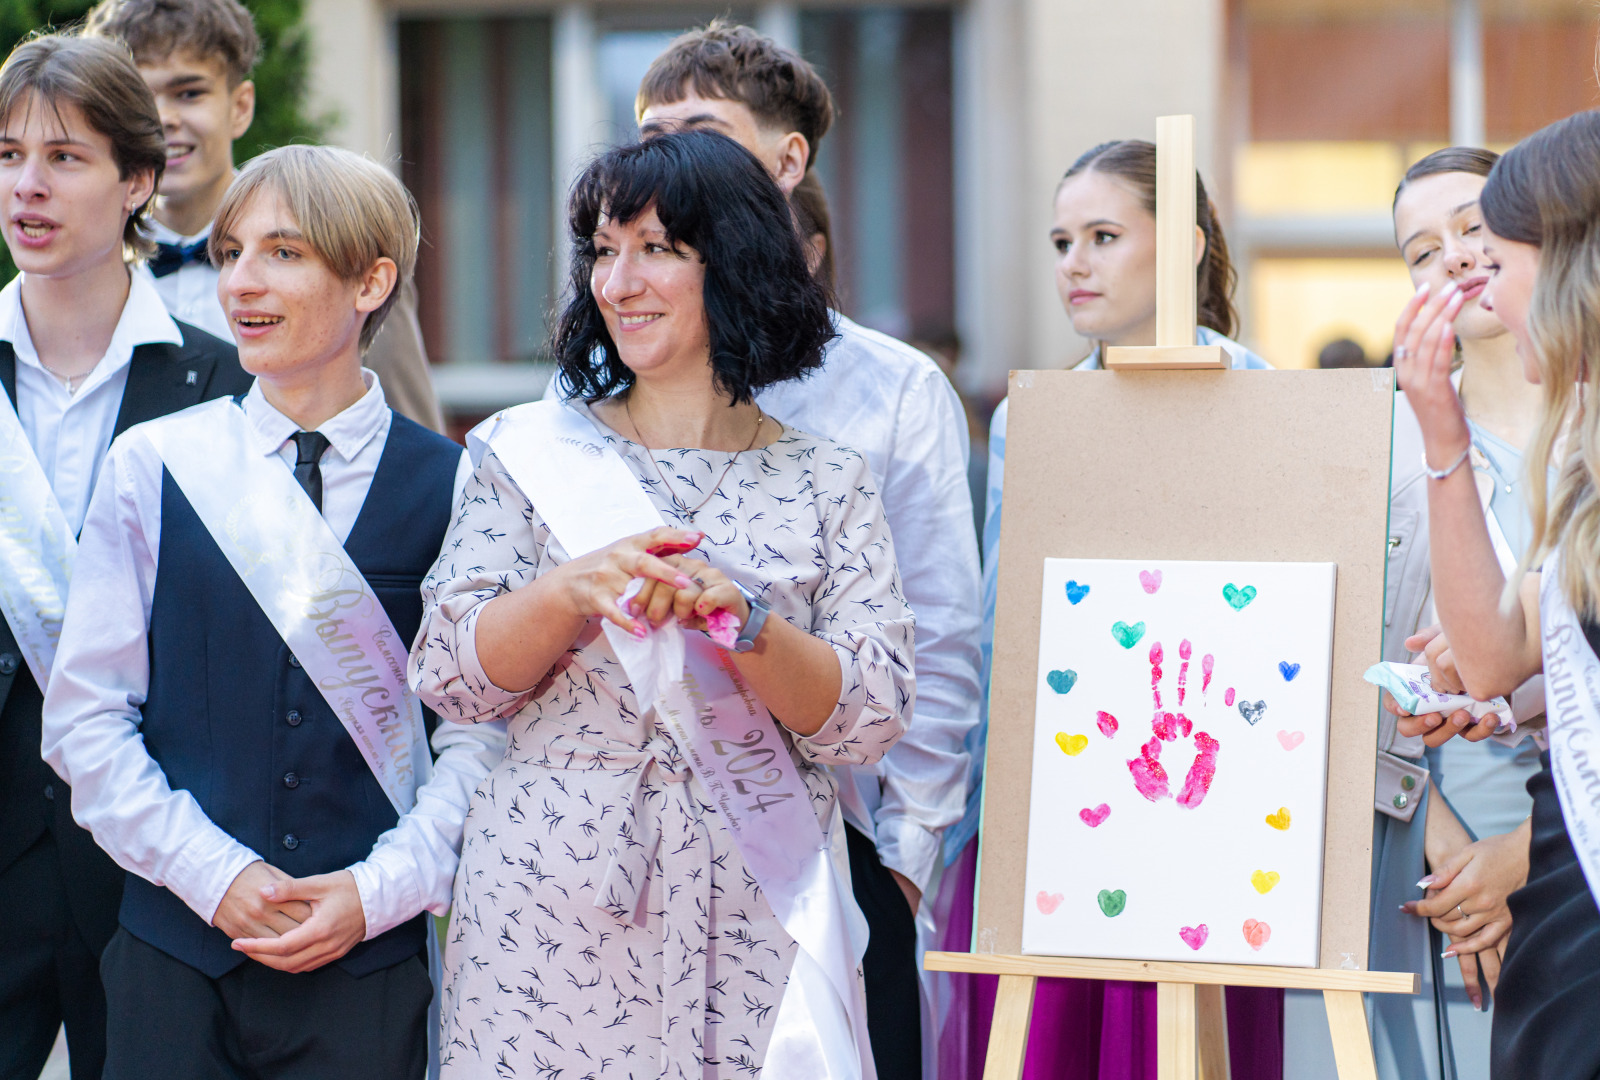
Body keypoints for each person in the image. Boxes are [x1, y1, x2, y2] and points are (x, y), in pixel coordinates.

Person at [414, 128, 915, 1079]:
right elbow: (450, 674)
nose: (617, 282)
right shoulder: (520, 453)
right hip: (551, 898)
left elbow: (869, 718)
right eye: (603, 252)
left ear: (735, 263)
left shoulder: (827, 481)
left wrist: (752, 628)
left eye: (656, 249)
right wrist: (568, 592)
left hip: (760, 894)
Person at [40, 143, 504, 1079]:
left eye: (282, 253)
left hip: (369, 974)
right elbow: (85, 722)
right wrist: (219, 878)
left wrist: (376, 896)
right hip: (173, 959)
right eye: (229, 252)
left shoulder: (461, 486)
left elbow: (480, 742)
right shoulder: (154, 465)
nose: (241, 284)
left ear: (371, 281)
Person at [622, 24, 982, 1079]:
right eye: (651, 134)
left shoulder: (890, 389)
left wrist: (904, 864)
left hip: (837, 853)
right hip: (631, 860)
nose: (668, 159)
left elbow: (944, 638)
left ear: (789, 162)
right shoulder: (589, 379)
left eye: (704, 132)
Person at [945, 139, 1276, 1080]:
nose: (1074, 264)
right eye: (1060, 241)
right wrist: (977, 824)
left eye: (1102, 235)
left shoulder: (1272, 403)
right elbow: (1005, 624)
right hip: (1054, 803)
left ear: (1185, 246)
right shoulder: (1030, 415)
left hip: (1220, 808)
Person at [0, 33, 248, 1080]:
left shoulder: (229, 390)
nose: (26, 185)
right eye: (6, 154)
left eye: (64, 156)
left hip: (156, 849)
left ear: (138, 179)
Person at [1390, 108, 1600, 1080]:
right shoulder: (1581, 446)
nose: (1470, 278)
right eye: (1427, 253)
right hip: (1573, 908)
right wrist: (1441, 437)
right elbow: (1495, 657)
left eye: (1492, 250)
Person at [1363, 147, 1542, 1080]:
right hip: (1416, 845)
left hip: (1579, 836)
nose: (1455, 259)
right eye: (1421, 251)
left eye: (1474, 227)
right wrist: (1445, 850)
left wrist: (1523, 857)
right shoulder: (1385, 442)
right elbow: (1337, 651)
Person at [82, 0, 447, 433]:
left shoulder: (340, 256)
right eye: (140, 99)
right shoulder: (80, 274)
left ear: (240, 106)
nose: (164, 119)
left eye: (189, 93)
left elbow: (410, 442)